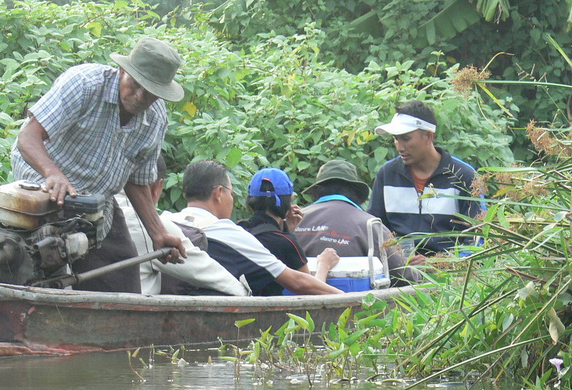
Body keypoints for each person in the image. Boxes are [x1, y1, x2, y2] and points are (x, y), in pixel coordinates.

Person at [10, 37, 187, 292]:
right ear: (122, 71)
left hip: (96, 201)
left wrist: (157, 232)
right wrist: (53, 174)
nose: (139, 96)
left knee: (122, 280)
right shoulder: (84, 84)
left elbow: (137, 181)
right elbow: (28, 137)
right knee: (47, 263)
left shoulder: (156, 118)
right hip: (45, 185)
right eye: (135, 85)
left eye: (150, 93)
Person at [170, 160, 343, 296]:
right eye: (231, 193)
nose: (232, 199)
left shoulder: (167, 223)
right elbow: (300, 283)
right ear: (218, 193)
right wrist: (328, 271)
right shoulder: (231, 233)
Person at [115, 156, 249, 296]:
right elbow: (212, 276)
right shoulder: (155, 227)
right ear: (157, 187)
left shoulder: (101, 210)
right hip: (134, 314)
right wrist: (246, 294)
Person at [369, 100, 482, 263]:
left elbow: (478, 237)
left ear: (428, 136)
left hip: (449, 278)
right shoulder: (387, 174)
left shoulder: (464, 176)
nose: (400, 147)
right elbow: (375, 229)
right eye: (395, 139)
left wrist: (442, 264)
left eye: (406, 139)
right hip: (399, 272)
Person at [293, 160, 421, 286]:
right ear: (356, 193)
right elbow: (401, 275)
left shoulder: (294, 219)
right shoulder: (371, 225)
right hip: (358, 303)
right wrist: (419, 272)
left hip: (293, 297)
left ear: (316, 191)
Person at [237, 167, 340, 296]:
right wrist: (324, 264)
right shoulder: (284, 243)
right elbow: (311, 291)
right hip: (266, 312)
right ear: (287, 202)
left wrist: (286, 229)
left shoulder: (239, 229)